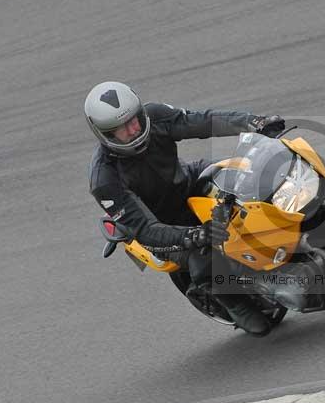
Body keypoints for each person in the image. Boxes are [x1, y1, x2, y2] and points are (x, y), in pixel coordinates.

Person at [84, 81, 285, 336]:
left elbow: (204, 121)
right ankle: (235, 303)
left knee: (250, 173)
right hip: (162, 224)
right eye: (122, 128)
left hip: (187, 181)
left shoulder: (155, 117)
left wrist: (253, 122)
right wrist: (192, 235)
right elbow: (146, 230)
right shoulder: (104, 179)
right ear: (105, 135)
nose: (134, 129)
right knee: (204, 257)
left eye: (134, 119)